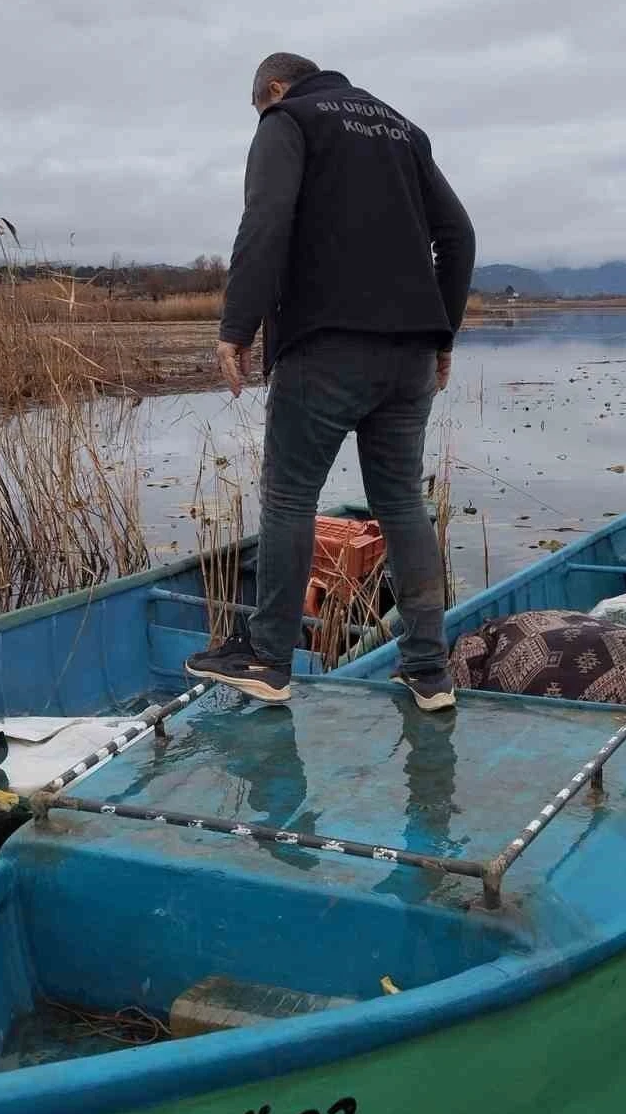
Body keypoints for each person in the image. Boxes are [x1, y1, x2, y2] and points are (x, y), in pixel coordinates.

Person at [185, 53, 476, 711]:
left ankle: (266, 658)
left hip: (325, 347)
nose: (261, 118)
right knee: (401, 500)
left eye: (257, 107)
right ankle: (428, 672)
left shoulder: (287, 120)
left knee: (288, 498)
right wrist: (443, 331)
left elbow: (266, 219)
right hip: (408, 356)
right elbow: (458, 235)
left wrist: (238, 324)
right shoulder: (402, 130)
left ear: (274, 89)